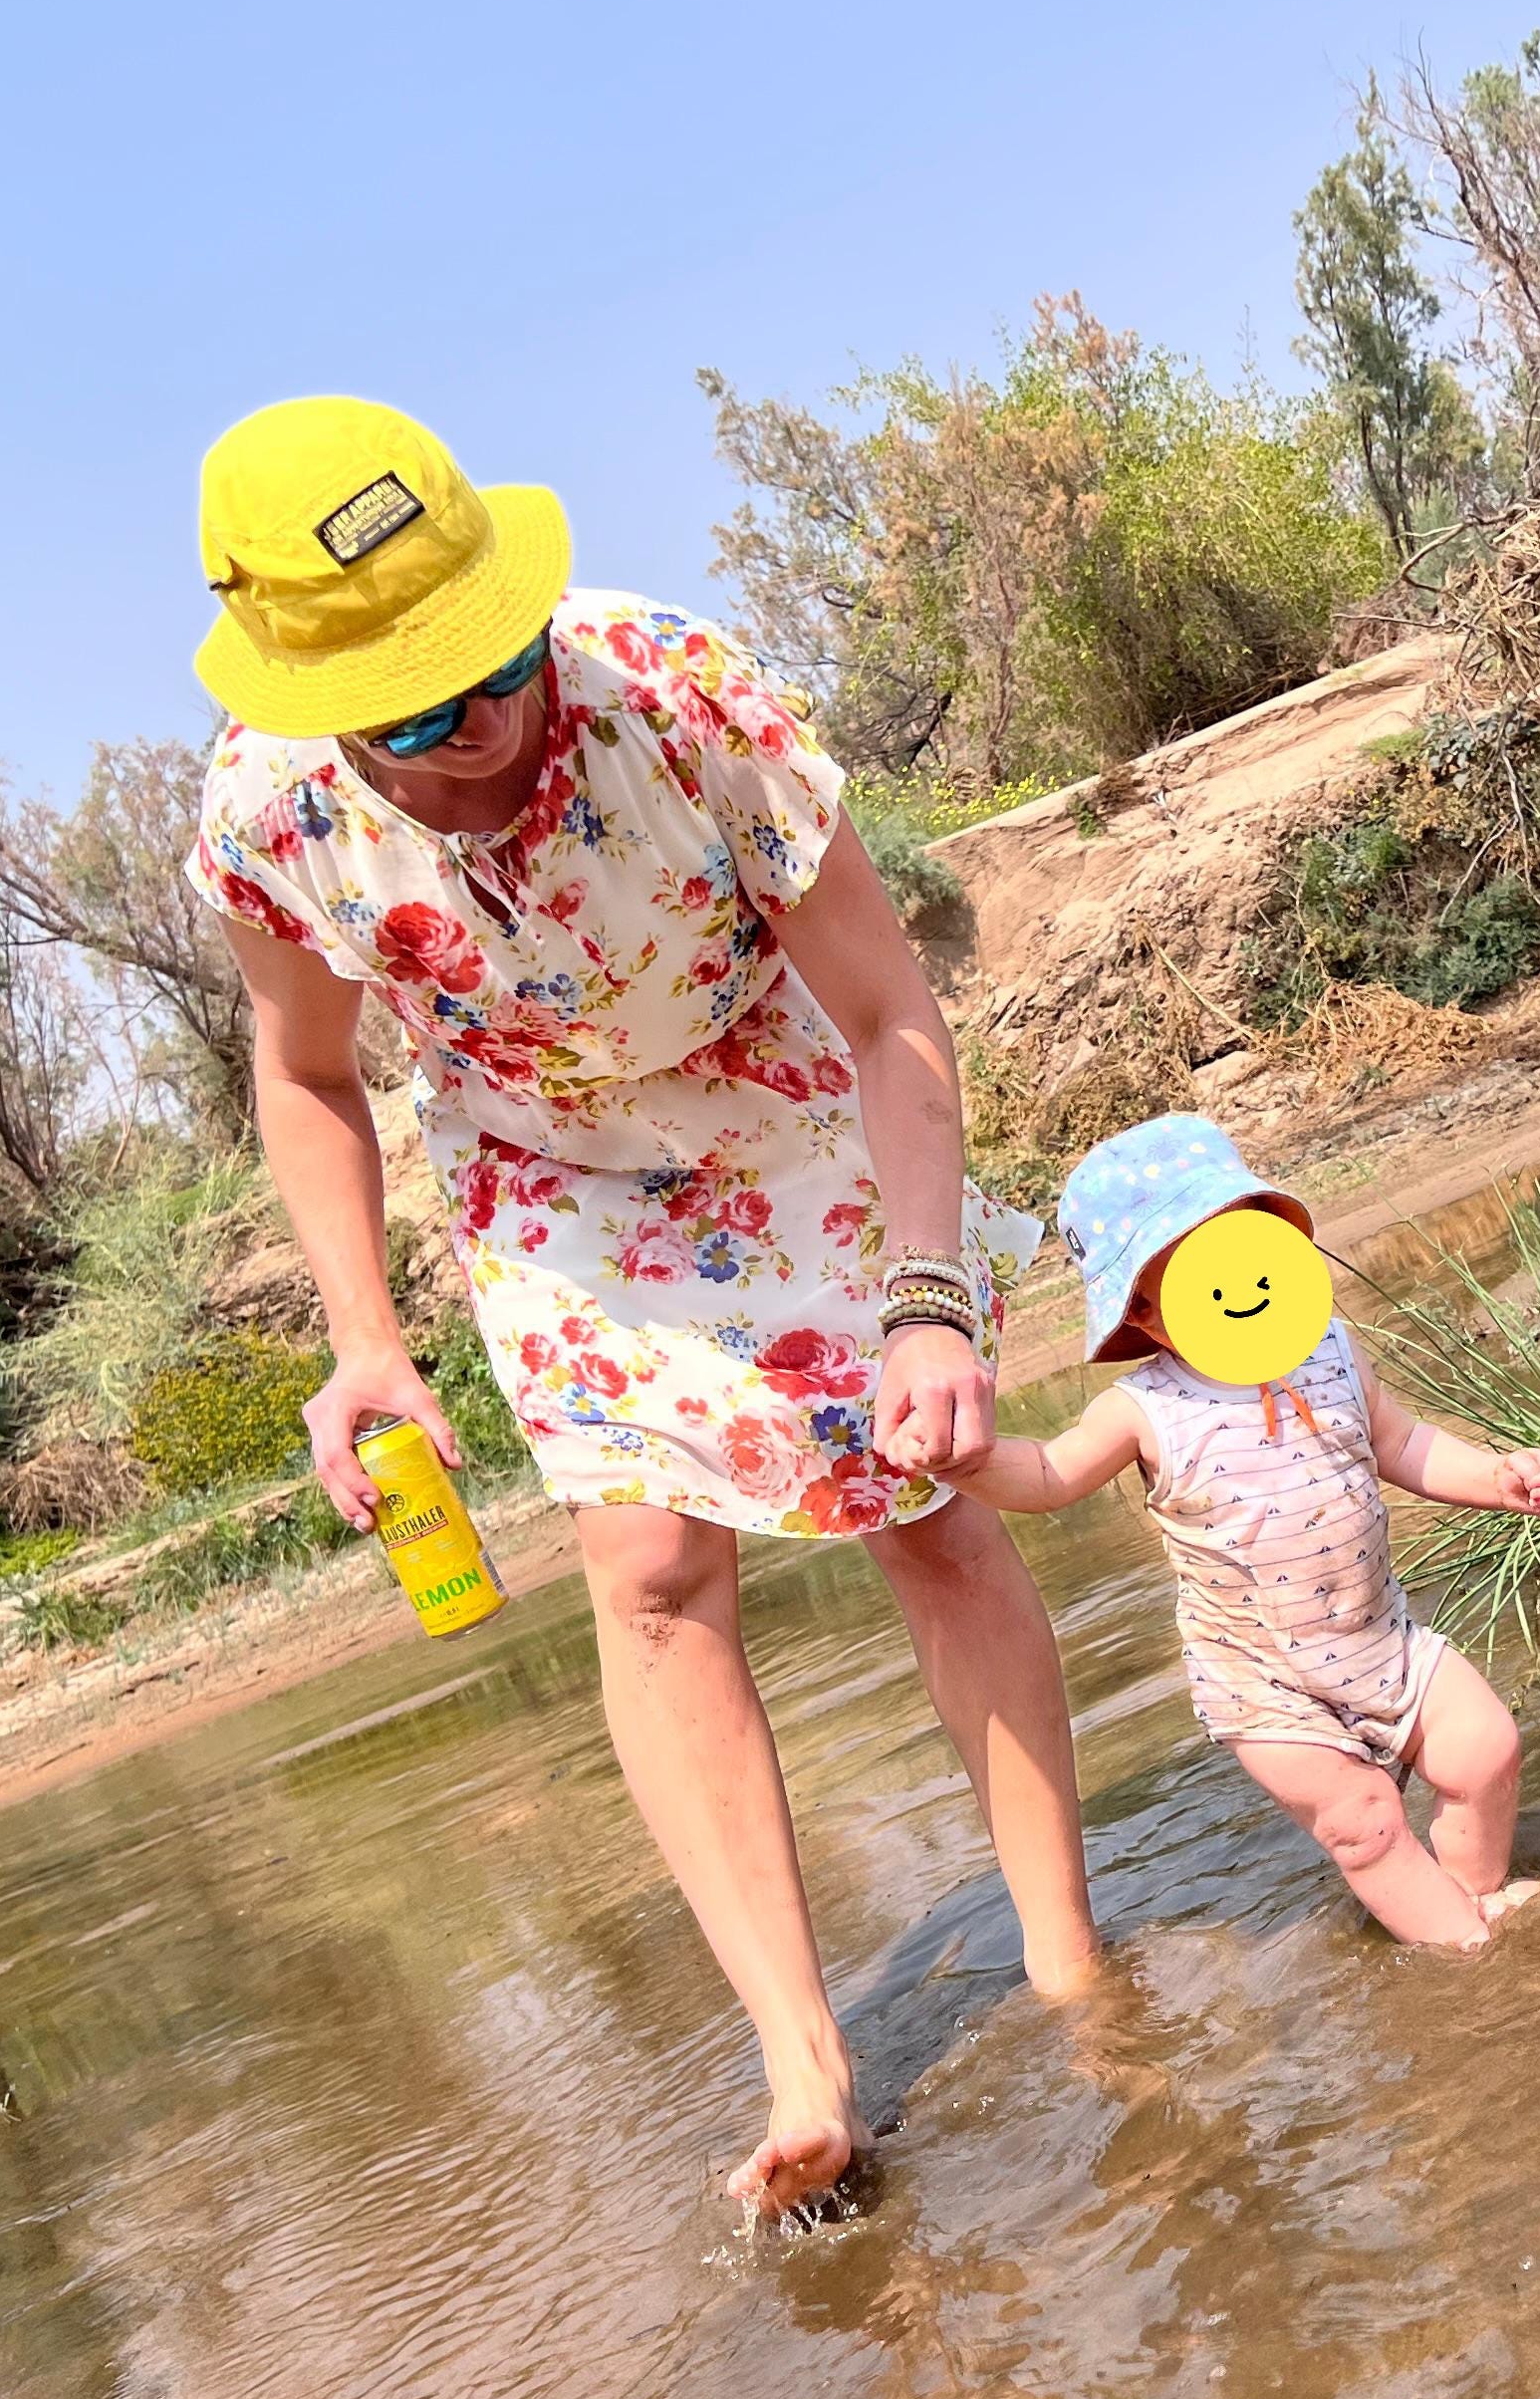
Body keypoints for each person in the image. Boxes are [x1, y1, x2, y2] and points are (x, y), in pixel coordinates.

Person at [181, 396, 1096, 2220]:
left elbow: (892, 1014)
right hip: (547, 1166)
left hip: (785, 1086)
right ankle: (799, 2055)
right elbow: (307, 1077)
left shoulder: (677, 692)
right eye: (416, 710)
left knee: (927, 1496)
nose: (481, 729)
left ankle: (1074, 1970)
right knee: (649, 1574)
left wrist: (928, 1301)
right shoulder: (271, 813)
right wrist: (369, 1335)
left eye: (494, 663)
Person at [952, 1115, 1540, 1950]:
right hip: (1268, 1687)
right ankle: (1465, 1950)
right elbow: (1050, 1474)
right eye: (1200, 1273)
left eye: (1248, 1248)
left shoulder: (1333, 1349)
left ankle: (1470, 1897)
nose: (1239, 1283)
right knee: (1365, 1822)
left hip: (1383, 1642)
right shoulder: (1146, 1410)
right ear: (1146, 1313)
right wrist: (966, 1462)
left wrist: (1497, 1477)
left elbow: (1402, 1445)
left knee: (1487, 1751)